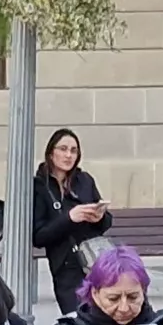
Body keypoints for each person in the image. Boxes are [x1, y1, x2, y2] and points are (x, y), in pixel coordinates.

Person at [32, 127, 114, 308]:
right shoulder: (39, 186)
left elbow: (106, 223)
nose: (68, 155)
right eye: (63, 149)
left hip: (95, 261)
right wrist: (69, 218)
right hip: (66, 267)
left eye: (74, 150)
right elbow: (38, 237)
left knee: (106, 313)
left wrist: (99, 217)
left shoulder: (84, 180)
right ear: (51, 153)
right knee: (78, 317)